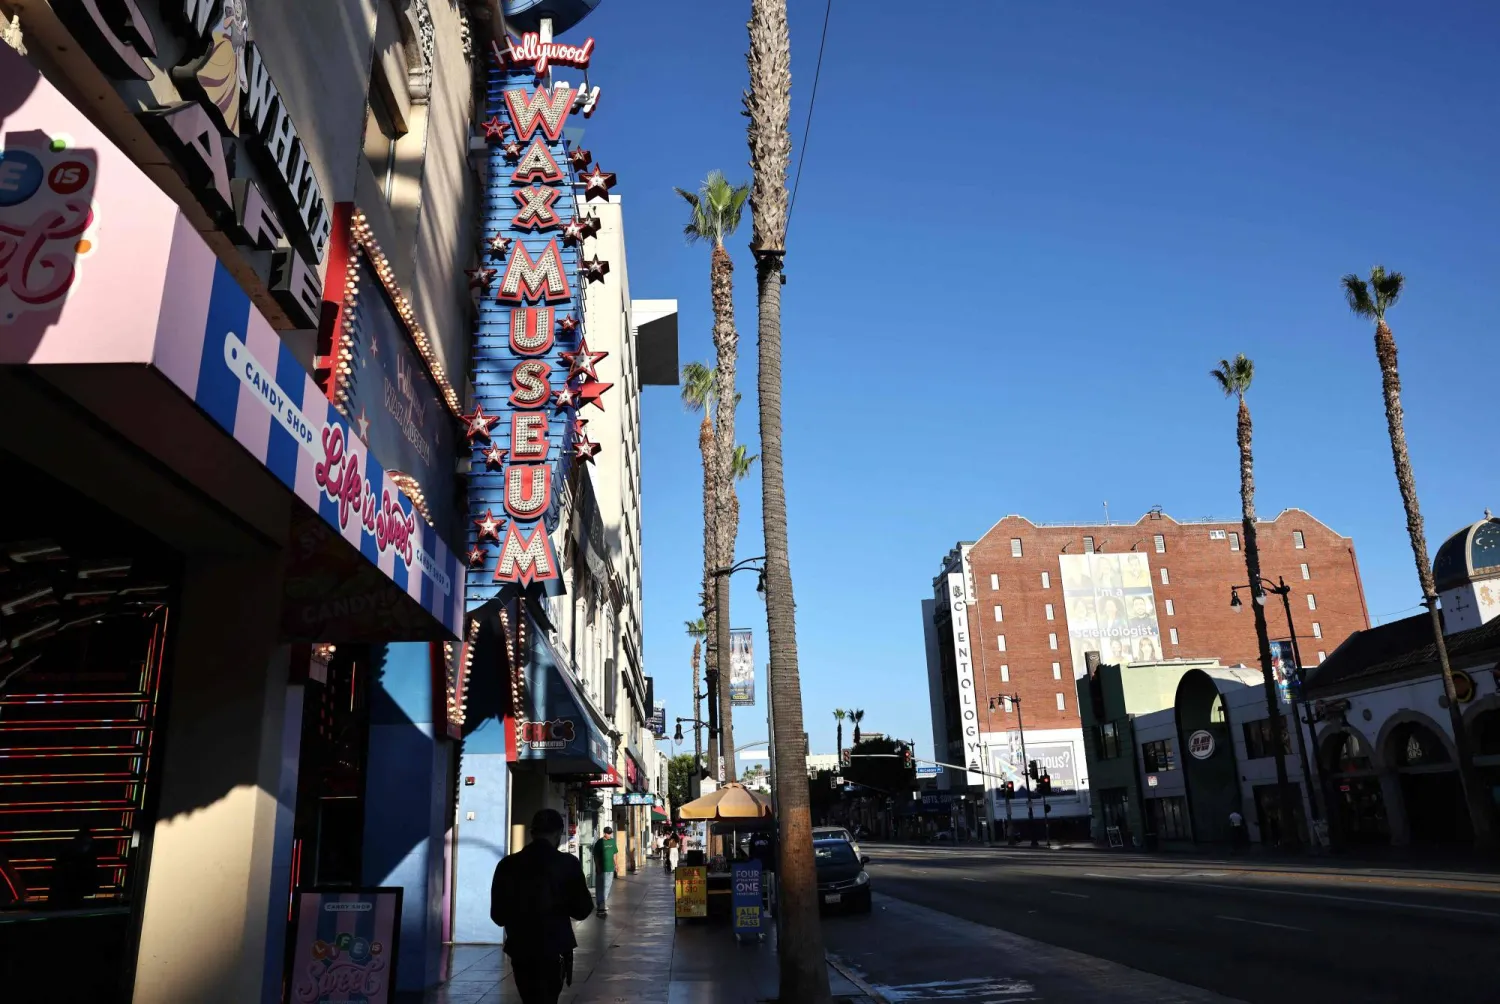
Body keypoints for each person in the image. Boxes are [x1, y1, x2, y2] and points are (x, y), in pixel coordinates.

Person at [490, 809, 594, 1004]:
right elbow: (583, 910)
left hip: (521, 948)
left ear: (532, 833)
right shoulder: (568, 864)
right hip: (555, 949)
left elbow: (498, 915)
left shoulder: (507, 865)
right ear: (557, 834)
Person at [47, 829, 101, 909]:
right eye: (85, 843)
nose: (85, 846)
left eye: (88, 844)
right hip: (67, 897)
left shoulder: (72, 856)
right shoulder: (81, 858)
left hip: (69, 897)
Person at [590, 826, 616, 916]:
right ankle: (600, 903)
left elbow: (614, 854)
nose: (609, 835)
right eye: (608, 833)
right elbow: (596, 856)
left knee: (608, 886)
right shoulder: (599, 842)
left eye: (610, 833)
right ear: (604, 833)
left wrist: (616, 864)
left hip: (610, 868)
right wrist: (598, 866)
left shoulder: (612, 841)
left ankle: (603, 902)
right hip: (602, 868)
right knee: (600, 886)